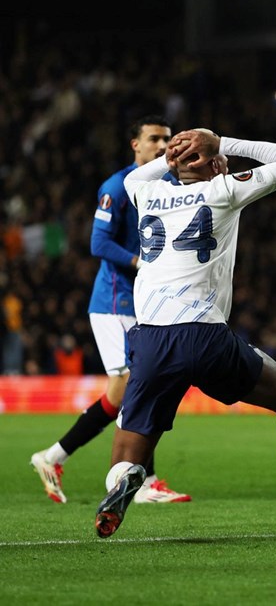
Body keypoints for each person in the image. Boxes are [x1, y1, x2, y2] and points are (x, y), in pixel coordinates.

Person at [94, 128, 276, 540]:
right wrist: (220, 141)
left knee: (126, 453)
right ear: (215, 162)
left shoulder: (142, 189)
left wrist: (178, 156)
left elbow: (139, 175)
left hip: (149, 341)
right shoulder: (224, 190)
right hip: (203, 336)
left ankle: (126, 479)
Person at [31, 116, 190, 505]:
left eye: (167, 139)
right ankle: (143, 481)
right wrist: (141, 263)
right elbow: (98, 243)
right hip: (115, 300)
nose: (162, 145)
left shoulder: (170, 185)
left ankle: (53, 457)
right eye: (154, 139)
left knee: (136, 387)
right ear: (135, 144)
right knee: (135, 384)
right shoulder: (117, 187)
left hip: (146, 300)